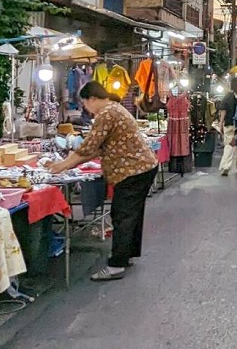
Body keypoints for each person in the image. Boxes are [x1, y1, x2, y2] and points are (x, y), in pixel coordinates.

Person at [48, 82, 159, 281]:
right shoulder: (115, 108)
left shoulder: (107, 113)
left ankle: (117, 265)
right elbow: (97, 149)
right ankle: (126, 255)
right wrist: (69, 163)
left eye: (85, 104)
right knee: (131, 214)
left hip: (132, 170)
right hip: (142, 168)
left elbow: (89, 147)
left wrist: (62, 166)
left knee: (123, 215)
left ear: (92, 99)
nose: (86, 109)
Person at [218, 78, 237, 176]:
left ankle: (225, 166)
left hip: (228, 124)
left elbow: (223, 111)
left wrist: (221, 123)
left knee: (228, 145)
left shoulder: (227, 97)